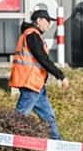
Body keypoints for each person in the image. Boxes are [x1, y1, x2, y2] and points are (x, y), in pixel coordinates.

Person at [10, 9, 68, 140]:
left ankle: (57, 147)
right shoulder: (32, 35)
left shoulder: (33, 34)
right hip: (30, 83)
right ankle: (9, 145)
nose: (49, 25)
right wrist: (61, 75)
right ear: (39, 20)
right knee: (20, 115)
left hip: (37, 84)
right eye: (48, 21)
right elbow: (43, 59)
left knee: (48, 116)